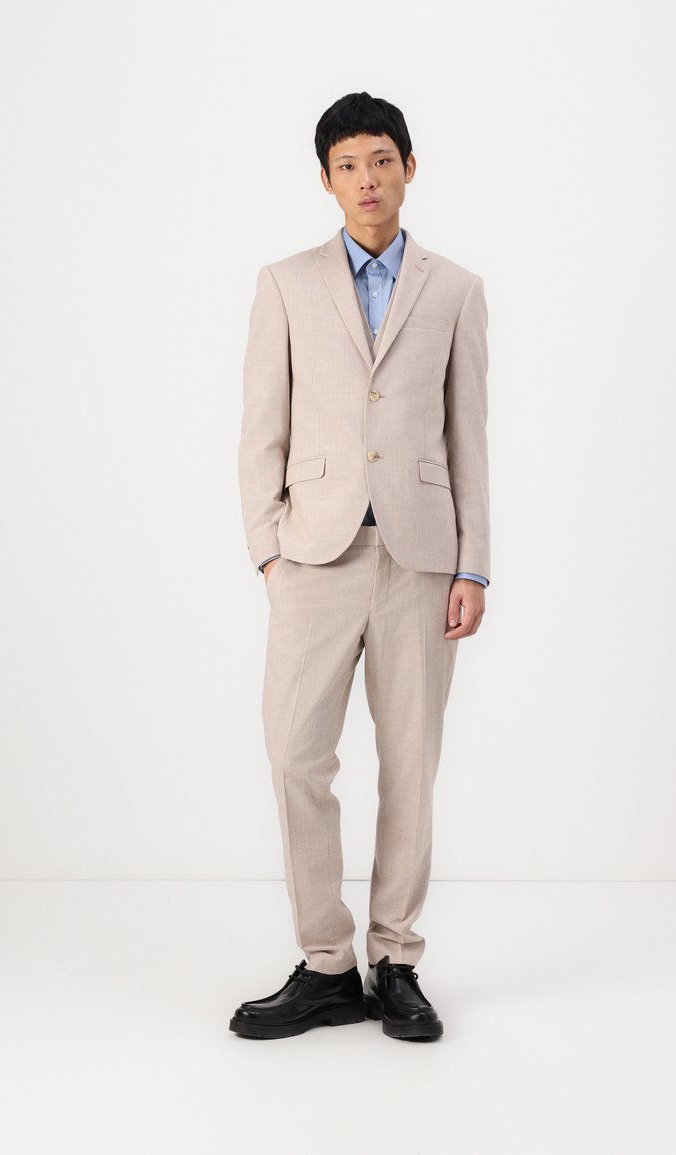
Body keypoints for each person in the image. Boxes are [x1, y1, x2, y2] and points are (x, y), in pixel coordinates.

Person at [230, 91, 490, 1041]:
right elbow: (261, 429)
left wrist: (474, 566)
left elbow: (469, 439)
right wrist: (269, 550)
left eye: (381, 160)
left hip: (421, 559)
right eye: (348, 165)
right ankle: (327, 965)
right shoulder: (286, 284)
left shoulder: (455, 289)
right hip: (313, 555)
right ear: (327, 179)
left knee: (411, 766)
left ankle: (397, 959)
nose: (366, 180)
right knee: (295, 754)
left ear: (408, 168)